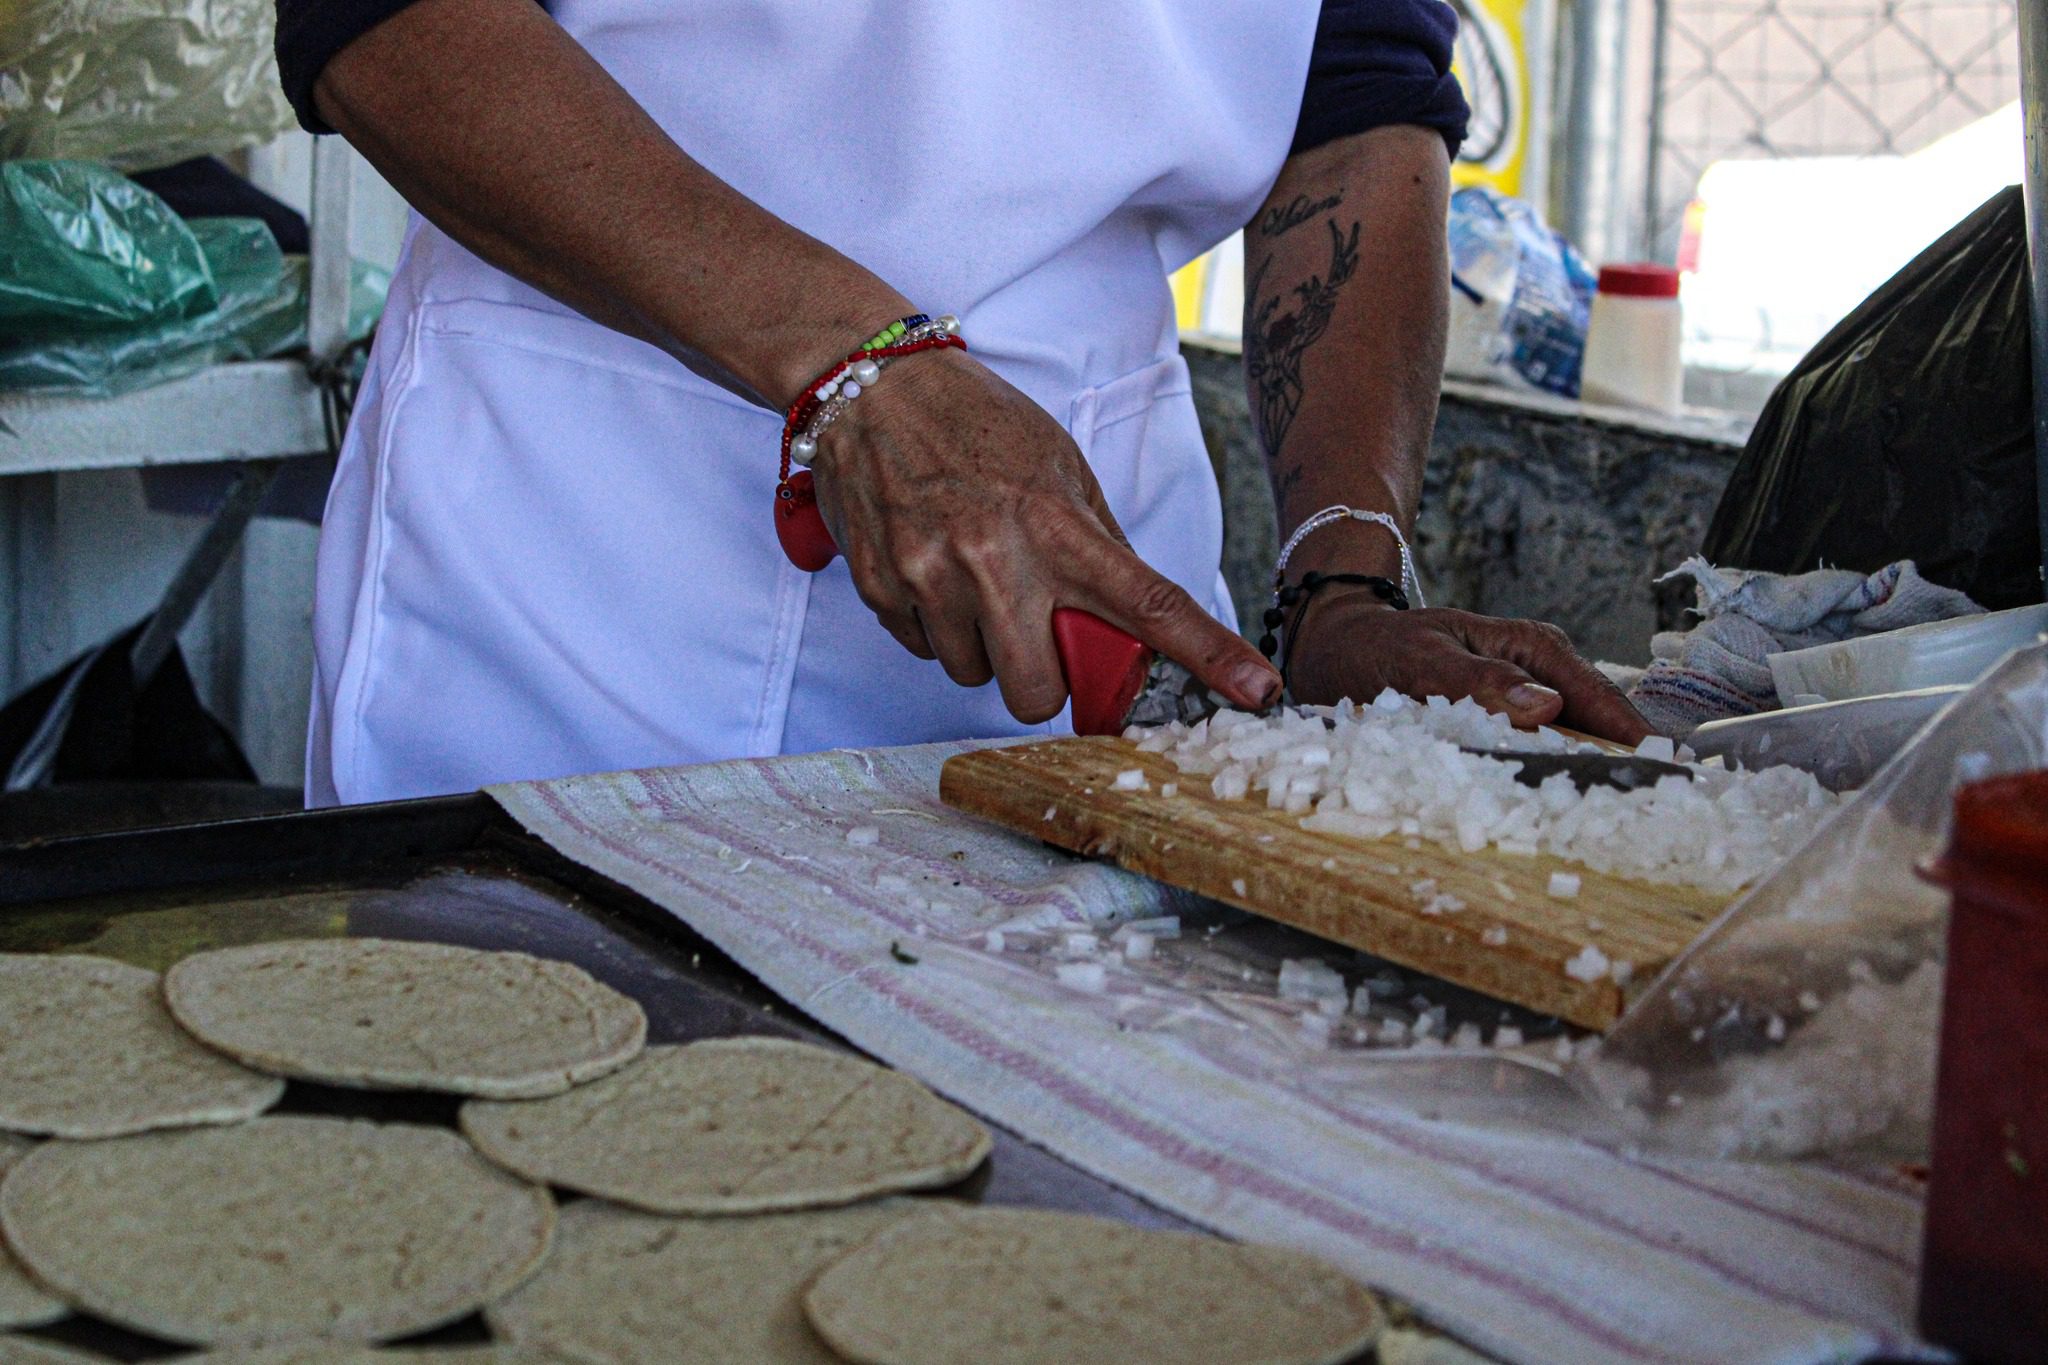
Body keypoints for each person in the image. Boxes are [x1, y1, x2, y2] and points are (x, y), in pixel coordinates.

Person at [279, 0, 1650, 806]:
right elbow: (389, 27)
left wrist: (1341, 583)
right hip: (584, 564)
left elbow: (1352, 94)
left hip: (1083, 596)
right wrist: (862, 367)